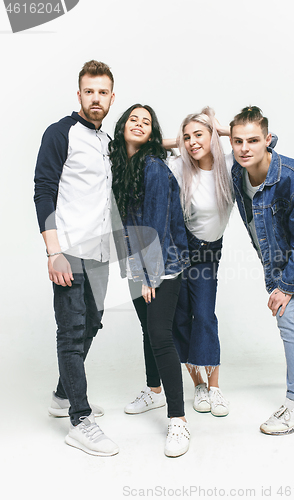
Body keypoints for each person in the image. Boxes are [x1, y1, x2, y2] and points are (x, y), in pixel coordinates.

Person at [34, 60, 119, 456]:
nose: (96, 98)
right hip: (68, 250)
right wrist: (54, 252)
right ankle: (80, 420)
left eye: (103, 92)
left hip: (99, 253)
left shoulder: (107, 141)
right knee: (70, 331)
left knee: (93, 322)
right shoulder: (60, 133)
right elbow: (43, 191)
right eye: (90, 91)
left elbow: (152, 143)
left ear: (111, 97)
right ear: (79, 94)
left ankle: (61, 395)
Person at [230, 105, 294, 435]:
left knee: (287, 311)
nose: (244, 148)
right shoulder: (238, 167)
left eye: (253, 141)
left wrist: (286, 285)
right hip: (272, 256)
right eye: (237, 141)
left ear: (268, 141)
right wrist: (222, 130)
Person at [110, 104, 191, 457]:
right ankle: (153, 392)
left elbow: (156, 223)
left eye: (147, 122)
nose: (140, 124)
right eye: (134, 119)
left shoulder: (154, 166)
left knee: (160, 336)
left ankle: (179, 421)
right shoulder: (119, 163)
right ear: (123, 127)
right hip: (134, 263)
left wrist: (150, 275)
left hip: (161, 264)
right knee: (148, 330)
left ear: (152, 133)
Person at [167, 108, 234, 417]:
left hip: (207, 252)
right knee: (181, 318)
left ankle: (215, 387)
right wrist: (179, 144)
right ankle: (198, 383)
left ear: (212, 137)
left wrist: (223, 130)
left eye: (199, 135)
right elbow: (149, 147)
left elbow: (268, 144)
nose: (193, 142)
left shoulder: (231, 166)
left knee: (204, 316)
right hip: (181, 249)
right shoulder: (181, 166)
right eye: (187, 137)